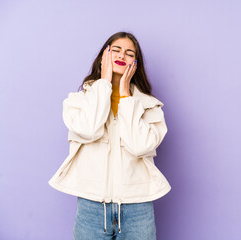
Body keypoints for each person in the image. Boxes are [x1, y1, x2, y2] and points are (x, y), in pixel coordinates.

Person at [48, 31, 171, 240]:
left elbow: (140, 145)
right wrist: (104, 84)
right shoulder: (77, 102)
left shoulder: (150, 107)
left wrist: (125, 96)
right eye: (116, 50)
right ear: (104, 56)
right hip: (91, 207)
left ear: (136, 63)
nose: (122, 56)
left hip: (138, 208)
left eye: (129, 53)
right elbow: (89, 128)